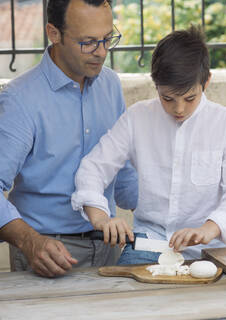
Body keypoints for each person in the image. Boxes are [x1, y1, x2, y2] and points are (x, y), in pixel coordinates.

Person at [71, 25, 226, 263]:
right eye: (167, 98)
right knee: (126, 293)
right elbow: (94, 167)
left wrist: (208, 229)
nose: (179, 109)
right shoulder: (137, 118)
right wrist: (101, 218)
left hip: (211, 247)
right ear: (155, 85)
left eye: (190, 98)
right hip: (150, 243)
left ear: (206, 82)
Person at [0, 0, 138, 277]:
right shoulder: (19, 100)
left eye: (107, 39)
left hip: (111, 249)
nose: (101, 52)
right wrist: (30, 242)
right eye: (88, 42)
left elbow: (123, 176)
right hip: (48, 255)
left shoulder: (111, 85)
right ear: (54, 33)